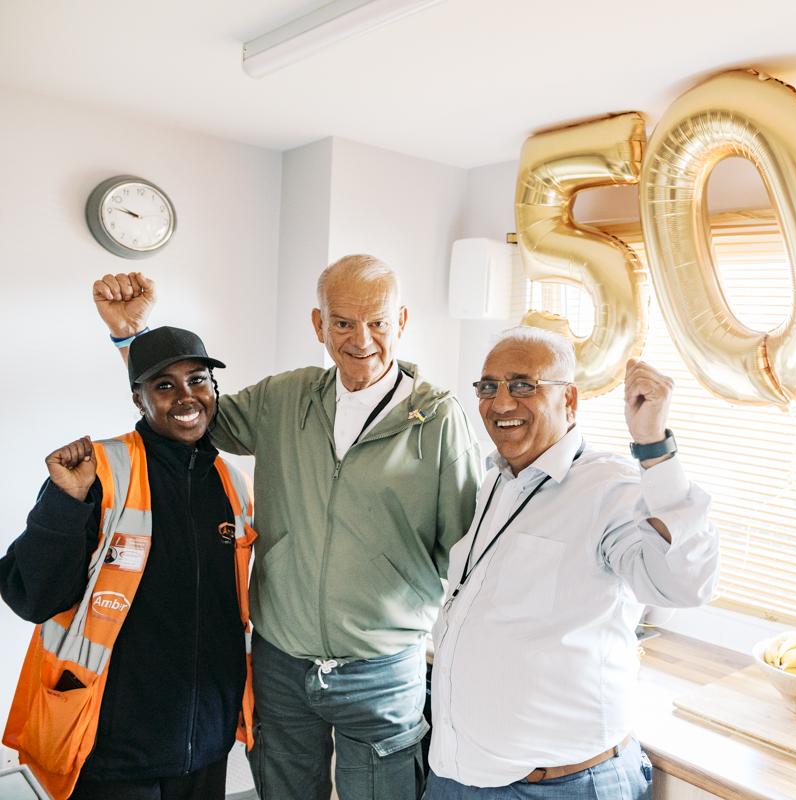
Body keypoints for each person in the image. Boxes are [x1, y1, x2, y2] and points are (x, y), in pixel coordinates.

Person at [92, 258, 482, 800]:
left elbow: (466, 553)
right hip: (282, 663)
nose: (361, 339)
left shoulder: (438, 419)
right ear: (319, 325)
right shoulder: (286, 397)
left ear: (401, 321)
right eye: (342, 322)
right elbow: (187, 411)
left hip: (381, 670)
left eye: (377, 322)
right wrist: (132, 336)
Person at [425, 327, 720, 800]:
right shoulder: (498, 479)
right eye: (489, 387)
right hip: (460, 777)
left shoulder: (609, 487)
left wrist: (653, 446)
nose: (501, 402)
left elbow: (683, 584)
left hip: (558, 787)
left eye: (523, 385)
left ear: (570, 400)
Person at [2, 327, 256, 800]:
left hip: (206, 743)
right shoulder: (97, 471)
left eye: (197, 380)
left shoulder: (233, 484)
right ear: (139, 399)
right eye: (164, 385)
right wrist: (65, 503)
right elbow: (33, 597)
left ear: (214, 388)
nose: (186, 396)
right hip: (113, 747)